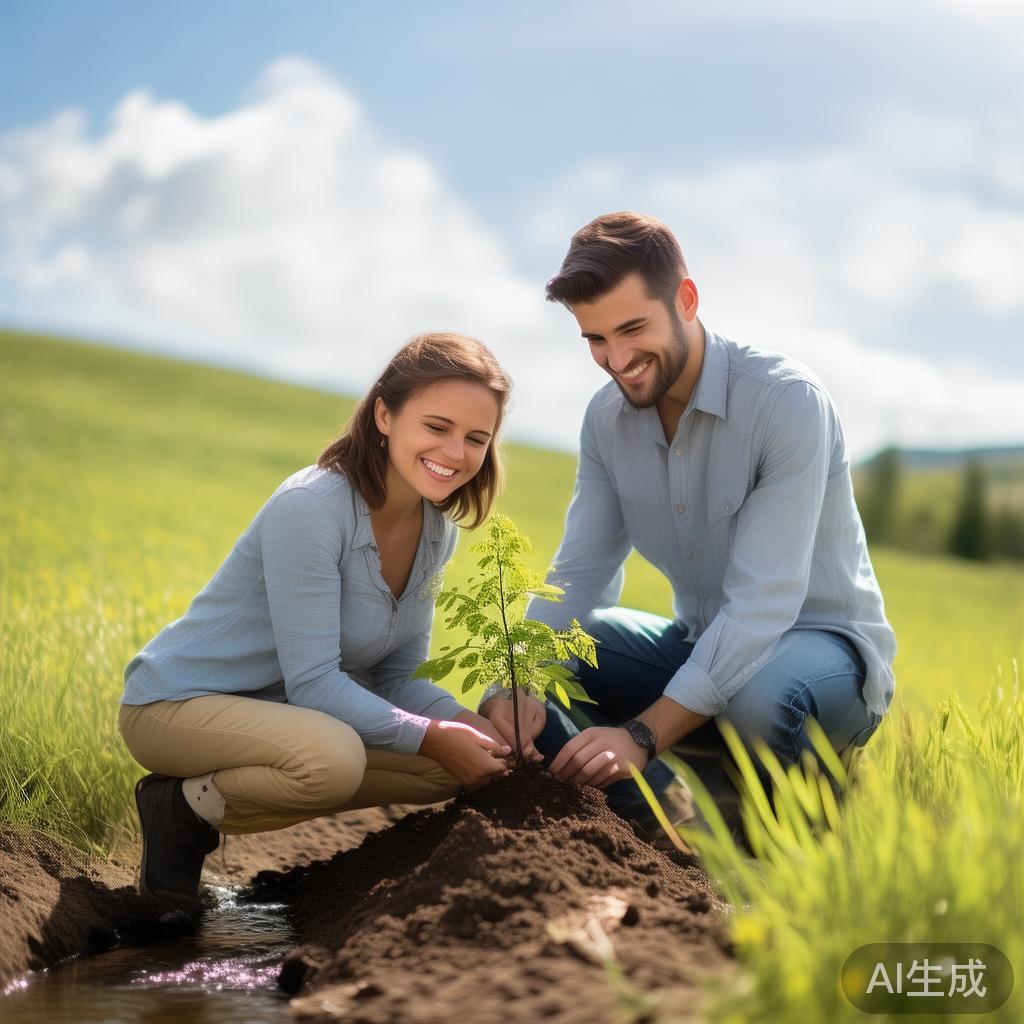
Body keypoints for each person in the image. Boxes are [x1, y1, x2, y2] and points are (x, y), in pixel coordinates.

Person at [478, 212, 897, 846]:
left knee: (761, 696)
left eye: (633, 328)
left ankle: (796, 841)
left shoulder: (786, 404)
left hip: (819, 656)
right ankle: (649, 823)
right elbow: (581, 569)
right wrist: (517, 675)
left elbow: (763, 608)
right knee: (564, 647)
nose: (617, 360)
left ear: (687, 299)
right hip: (702, 643)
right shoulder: (605, 423)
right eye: (595, 339)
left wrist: (641, 735)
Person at [119, 332, 516, 897]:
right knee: (333, 760)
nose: (456, 453)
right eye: (437, 427)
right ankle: (179, 809)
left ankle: (198, 806)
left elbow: (397, 675)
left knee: (453, 765)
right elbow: (314, 683)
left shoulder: (436, 532)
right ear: (385, 414)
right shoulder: (312, 507)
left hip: (281, 713)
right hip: (179, 706)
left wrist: (466, 725)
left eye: (477, 438)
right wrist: (429, 735)